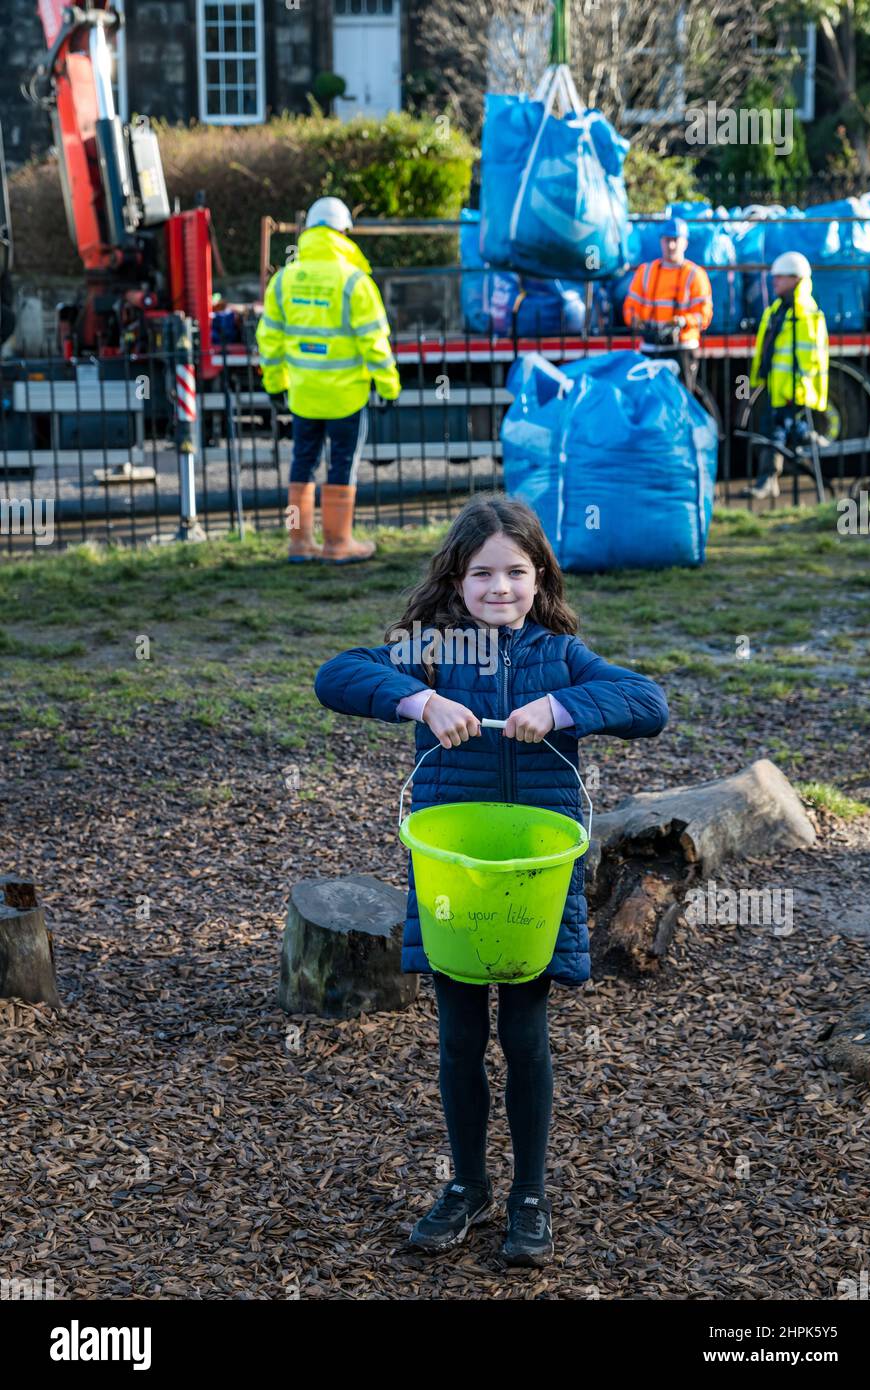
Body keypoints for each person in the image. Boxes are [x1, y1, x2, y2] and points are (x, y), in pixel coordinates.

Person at [313, 495, 669, 1268]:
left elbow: (649, 704)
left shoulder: (563, 658)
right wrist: (420, 699)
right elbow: (335, 676)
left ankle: (528, 1195)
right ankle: (467, 1186)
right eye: (483, 574)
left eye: (517, 571)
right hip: (454, 881)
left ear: (540, 578)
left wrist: (562, 705)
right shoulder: (432, 652)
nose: (500, 587)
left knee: (526, 1033)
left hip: (533, 884)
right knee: (460, 1035)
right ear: (457, 578)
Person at [256, 196, 401, 564]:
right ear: (343, 232)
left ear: (308, 232)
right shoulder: (355, 280)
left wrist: (275, 384)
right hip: (346, 396)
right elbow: (375, 342)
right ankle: (338, 544)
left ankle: (298, 542)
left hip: (303, 395)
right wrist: (388, 386)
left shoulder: (284, 279)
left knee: (300, 467)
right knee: (341, 466)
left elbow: (269, 340)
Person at [745, 251, 829, 500]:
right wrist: (757, 379)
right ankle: (810, 440)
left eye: (780, 278)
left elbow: (811, 358)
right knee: (777, 431)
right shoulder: (777, 310)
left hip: (791, 390)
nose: (775, 282)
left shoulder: (806, 314)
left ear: (796, 279)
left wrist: (798, 391)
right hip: (776, 385)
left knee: (775, 433)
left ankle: (768, 480)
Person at [622, 216, 713, 394]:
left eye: (675, 240)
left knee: (681, 398)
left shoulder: (695, 275)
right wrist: (637, 322)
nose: (671, 246)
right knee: (649, 399)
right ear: (661, 242)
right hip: (651, 346)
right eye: (667, 240)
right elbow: (631, 307)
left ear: (685, 243)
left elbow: (704, 314)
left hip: (681, 348)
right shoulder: (645, 272)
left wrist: (681, 322)